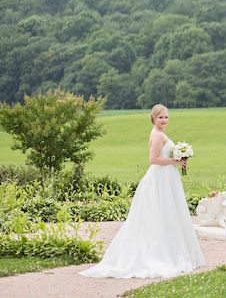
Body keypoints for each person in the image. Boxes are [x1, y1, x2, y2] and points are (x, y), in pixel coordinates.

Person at [79, 104, 205, 278]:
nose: (164, 120)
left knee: (167, 214)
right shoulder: (157, 135)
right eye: (161, 117)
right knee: (158, 214)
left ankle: (173, 249)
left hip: (166, 178)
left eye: (166, 117)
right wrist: (174, 162)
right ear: (153, 118)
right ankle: (162, 254)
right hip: (160, 179)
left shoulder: (160, 134)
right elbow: (153, 159)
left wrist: (178, 156)